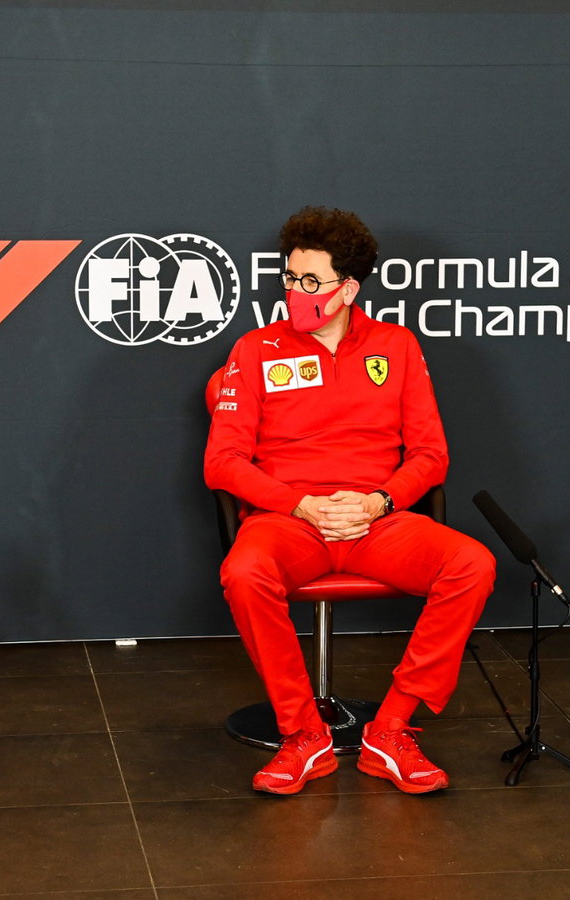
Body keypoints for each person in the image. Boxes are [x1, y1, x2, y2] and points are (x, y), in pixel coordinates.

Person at [205, 206, 495, 795]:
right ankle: (302, 735)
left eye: (311, 282)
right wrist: (300, 505)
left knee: (473, 564)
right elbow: (223, 462)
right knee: (243, 569)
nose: (295, 291)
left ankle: (390, 730)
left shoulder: (397, 346)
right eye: (289, 278)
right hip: (290, 522)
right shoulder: (255, 349)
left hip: (376, 521)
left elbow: (430, 456)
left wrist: (380, 502)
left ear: (348, 288)